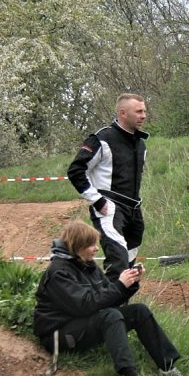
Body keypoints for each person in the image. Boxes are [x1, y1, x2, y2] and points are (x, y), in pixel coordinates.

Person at [33, 221, 184, 376]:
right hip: (59, 335)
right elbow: (86, 305)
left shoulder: (87, 265)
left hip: (81, 324)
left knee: (139, 311)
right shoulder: (58, 273)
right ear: (77, 247)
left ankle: (167, 366)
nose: (96, 249)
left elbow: (108, 298)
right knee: (111, 316)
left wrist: (130, 284)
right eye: (91, 245)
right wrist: (120, 285)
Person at [67, 93, 148, 281]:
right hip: (110, 208)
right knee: (118, 263)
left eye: (144, 111)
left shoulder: (141, 144)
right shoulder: (101, 138)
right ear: (122, 113)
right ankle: (108, 309)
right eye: (138, 111)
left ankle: (121, 308)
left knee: (131, 267)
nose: (143, 115)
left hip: (134, 210)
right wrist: (97, 201)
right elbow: (76, 170)